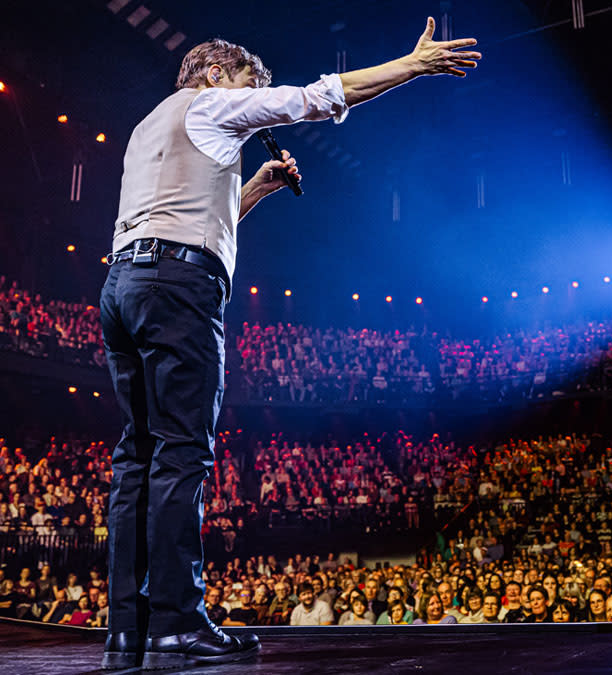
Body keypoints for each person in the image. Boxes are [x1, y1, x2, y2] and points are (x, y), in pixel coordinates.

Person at [97, 17, 481, 671]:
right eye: (250, 84)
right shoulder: (215, 102)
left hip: (126, 287)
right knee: (181, 455)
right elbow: (320, 96)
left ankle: (130, 627)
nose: (251, 99)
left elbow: (185, 220)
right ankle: (178, 621)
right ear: (218, 76)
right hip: (180, 293)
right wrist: (410, 66)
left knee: (138, 458)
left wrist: (255, 189)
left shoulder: (151, 129)